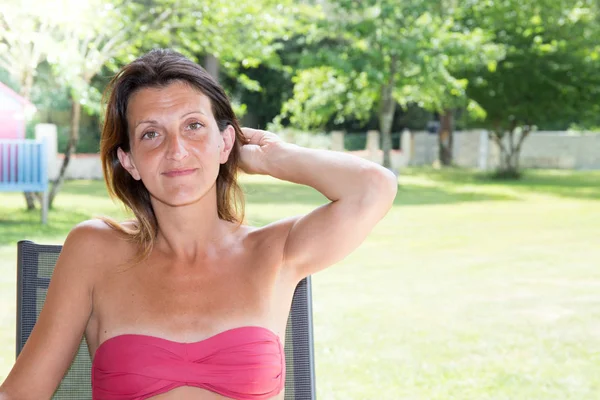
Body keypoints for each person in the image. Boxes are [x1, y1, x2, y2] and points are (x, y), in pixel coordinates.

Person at [0, 49, 398, 400]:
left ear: (225, 143)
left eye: (193, 126)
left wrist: (268, 157)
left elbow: (373, 187)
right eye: (151, 133)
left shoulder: (275, 251)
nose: (176, 150)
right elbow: (21, 393)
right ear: (130, 161)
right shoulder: (93, 248)